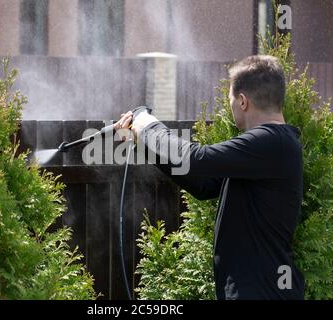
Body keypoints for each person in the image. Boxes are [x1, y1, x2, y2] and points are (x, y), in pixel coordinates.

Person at [114, 55, 305, 300]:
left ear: (243, 101)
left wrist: (148, 125)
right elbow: (204, 185)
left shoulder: (272, 141)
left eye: (231, 100)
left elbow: (196, 157)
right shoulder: (268, 148)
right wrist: (144, 143)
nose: (230, 107)